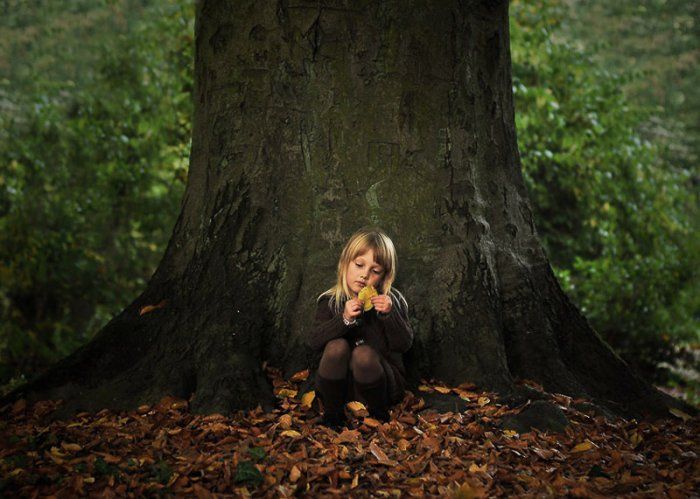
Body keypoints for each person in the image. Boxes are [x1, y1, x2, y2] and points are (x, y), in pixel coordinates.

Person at [306, 227, 414, 430]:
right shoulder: (331, 301)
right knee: (336, 346)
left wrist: (389, 315)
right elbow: (313, 341)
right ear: (345, 264)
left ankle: (378, 413)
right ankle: (332, 415)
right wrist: (344, 319)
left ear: (384, 277)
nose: (364, 275)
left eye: (375, 271)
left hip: (381, 383)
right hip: (340, 388)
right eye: (359, 265)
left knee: (363, 353)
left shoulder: (392, 301)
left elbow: (404, 344)